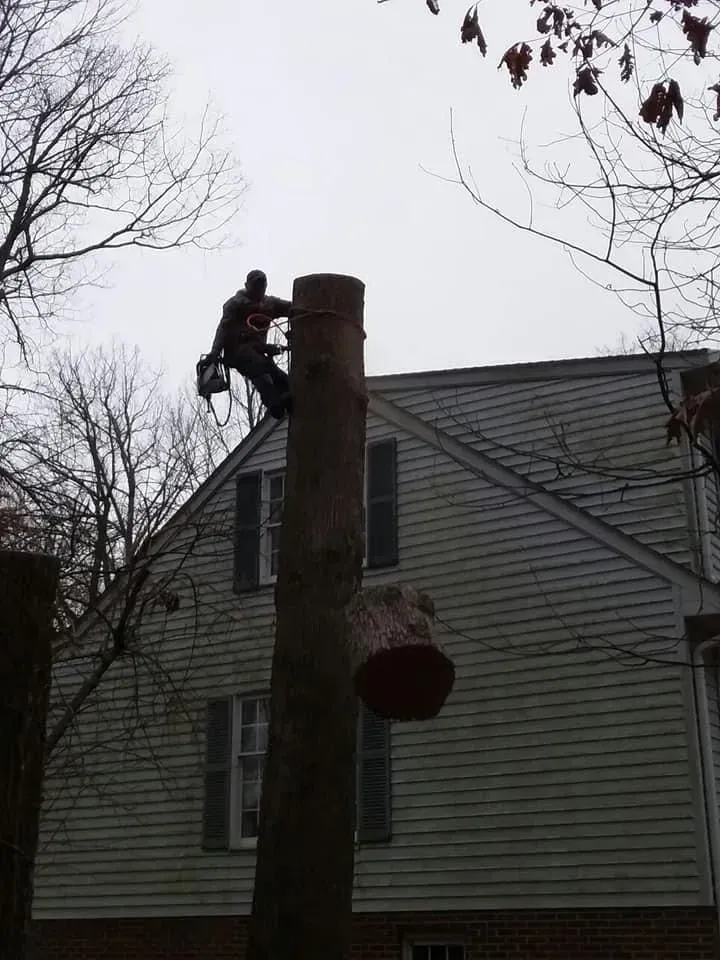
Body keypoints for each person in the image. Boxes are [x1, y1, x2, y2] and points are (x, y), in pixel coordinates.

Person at [209, 269, 293, 419]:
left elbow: (291, 308)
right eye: (256, 286)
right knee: (260, 368)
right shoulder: (235, 304)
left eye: (262, 285)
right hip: (238, 352)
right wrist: (214, 353)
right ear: (247, 285)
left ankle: (289, 395)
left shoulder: (269, 304)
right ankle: (274, 403)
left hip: (259, 352)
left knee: (276, 373)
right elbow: (223, 328)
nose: (259, 290)